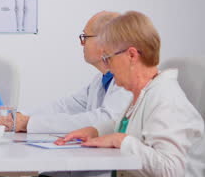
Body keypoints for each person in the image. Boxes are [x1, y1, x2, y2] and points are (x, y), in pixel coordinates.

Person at [55, 11, 204, 177]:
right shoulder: (142, 93)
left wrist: (119, 140)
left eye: (108, 58)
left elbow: (171, 169)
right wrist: (95, 130)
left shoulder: (165, 99)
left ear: (132, 55)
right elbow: (131, 127)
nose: (107, 67)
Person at [0, 11, 132, 133]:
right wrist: (19, 116)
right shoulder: (100, 80)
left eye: (85, 37)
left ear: (105, 41)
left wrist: (29, 123)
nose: (82, 43)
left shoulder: (128, 80)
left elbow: (104, 120)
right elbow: (66, 106)